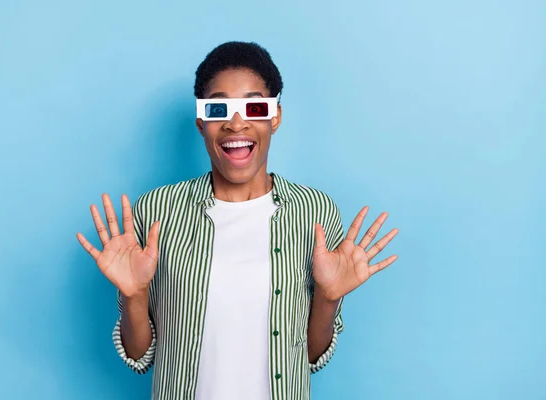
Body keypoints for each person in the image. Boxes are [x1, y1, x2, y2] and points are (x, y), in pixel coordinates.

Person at [76, 41, 399, 400]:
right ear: (201, 122)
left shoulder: (315, 213)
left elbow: (308, 356)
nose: (236, 122)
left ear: (274, 117)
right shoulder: (157, 211)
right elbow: (138, 356)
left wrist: (327, 299)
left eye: (254, 106)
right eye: (219, 108)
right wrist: (133, 296)